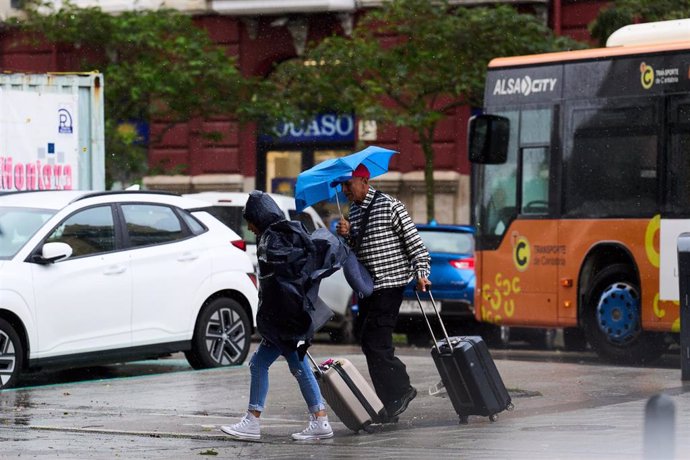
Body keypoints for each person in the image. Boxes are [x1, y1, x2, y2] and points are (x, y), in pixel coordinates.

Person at [221, 190, 342, 442]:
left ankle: (311, 419)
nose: (250, 227)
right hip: (290, 316)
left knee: (286, 365)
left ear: (260, 217)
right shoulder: (284, 234)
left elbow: (278, 285)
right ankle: (312, 419)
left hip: (285, 319)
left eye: (251, 221)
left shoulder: (275, 239)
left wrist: (276, 320)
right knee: (279, 364)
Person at [336, 164, 431, 420]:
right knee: (368, 342)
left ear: (364, 181)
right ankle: (390, 403)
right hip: (368, 287)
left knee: (376, 341)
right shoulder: (353, 212)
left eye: (348, 184)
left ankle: (402, 388)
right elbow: (357, 249)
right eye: (342, 186)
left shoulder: (390, 205)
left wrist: (422, 274)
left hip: (390, 284)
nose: (344, 190)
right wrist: (346, 235)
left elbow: (415, 244)